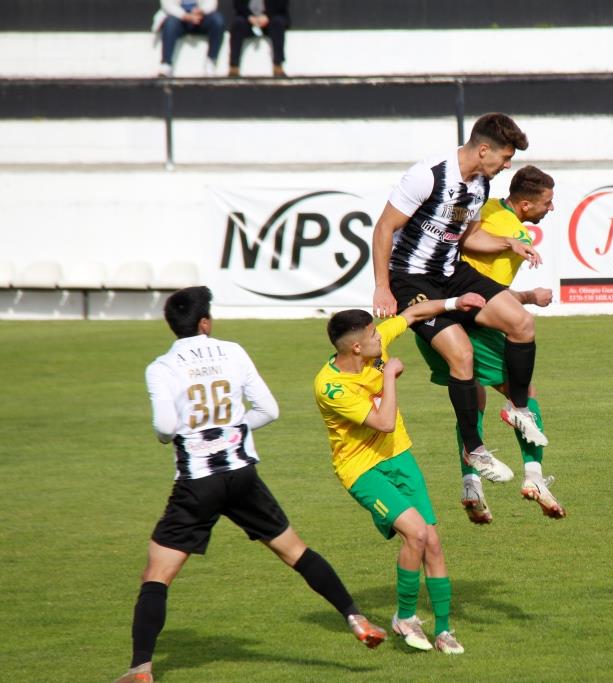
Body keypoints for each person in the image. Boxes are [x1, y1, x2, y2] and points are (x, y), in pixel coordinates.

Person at [114, 286, 385, 683]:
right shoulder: (233, 351)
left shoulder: (161, 367)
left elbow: (164, 426)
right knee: (296, 551)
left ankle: (141, 668)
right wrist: (232, 428)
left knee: (157, 574)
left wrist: (186, 435)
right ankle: (355, 617)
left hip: (197, 484)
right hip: (242, 475)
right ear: (205, 322)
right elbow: (268, 410)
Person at [370, 112, 546, 488]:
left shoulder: (479, 186)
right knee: (462, 355)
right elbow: (385, 227)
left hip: (451, 273)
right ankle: (474, 449)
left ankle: (517, 409)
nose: (508, 165)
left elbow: (464, 238)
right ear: (484, 150)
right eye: (505, 157)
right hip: (410, 278)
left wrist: (508, 243)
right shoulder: (427, 175)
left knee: (522, 323)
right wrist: (382, 286)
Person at [313, 292, 488, 655]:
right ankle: (404, 617)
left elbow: (412, 315)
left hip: (400, 459)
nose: (382, 338)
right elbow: (384, 422)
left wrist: (456, 302)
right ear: (357, 347)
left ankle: (443, 631)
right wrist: (390, 375)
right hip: (362, 469)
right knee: (417, 533)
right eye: (374, 336)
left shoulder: (375, 345)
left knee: (434, 543)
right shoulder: (330, 387)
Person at [413, 165, 565, 524]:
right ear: (526, 205)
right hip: (467, 322)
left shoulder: (487, 210)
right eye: (548, 202)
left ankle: (471, 485)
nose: (552, 208)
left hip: (432, 315)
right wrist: (529, 296)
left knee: (473, 398)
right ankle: (534, 479)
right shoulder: (510, 231)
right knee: (522, 392)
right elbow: (485, 293)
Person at [153, 0, 226, 78]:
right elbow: (168, 5)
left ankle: (211, 62)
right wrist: (185, 16)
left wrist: (201, 11)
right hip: (178, 17)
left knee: (217, 21)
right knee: (170, 24)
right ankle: (166, 64)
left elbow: (211, 3)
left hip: (200, 17)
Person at [228, 0, 290, 77]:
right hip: (248, 18)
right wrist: (249, 16)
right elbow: (238, 4)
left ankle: (278, 65)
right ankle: (234, 67)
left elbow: (281, 4)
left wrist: (267, 15)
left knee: (277, 24)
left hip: (271, 17)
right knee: (238, 24)